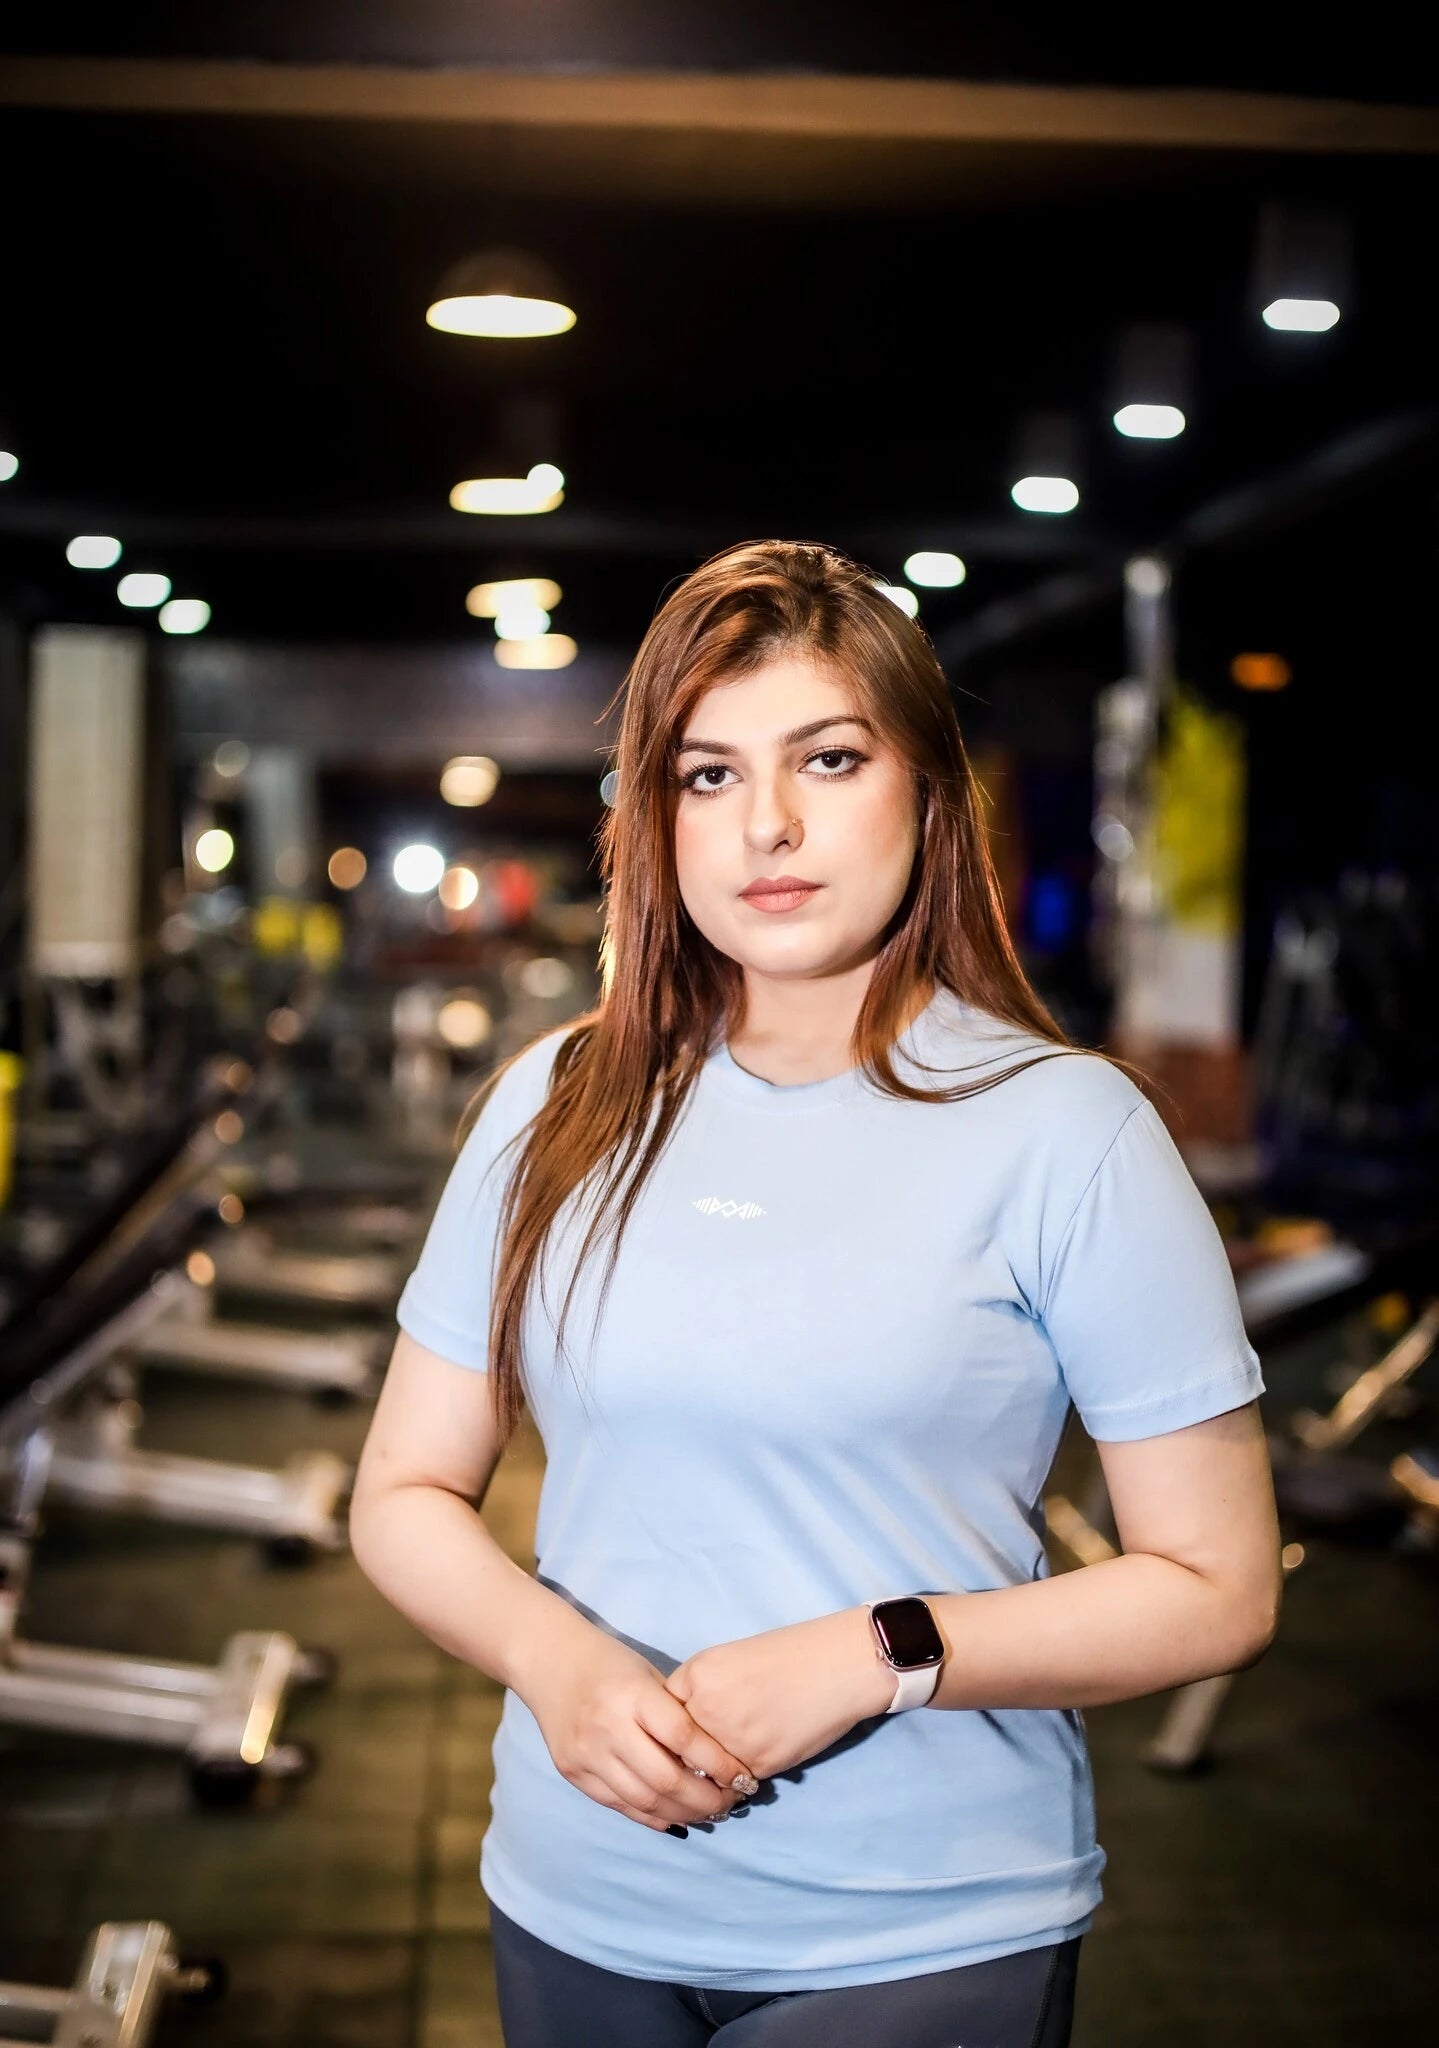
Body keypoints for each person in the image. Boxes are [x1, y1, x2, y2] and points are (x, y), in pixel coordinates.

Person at [349, 540, 1283, 2047]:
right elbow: (399, 1488)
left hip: (926, 1931)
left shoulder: (1067, 1131)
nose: (766, 826)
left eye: (828, 759)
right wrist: (554, 1659)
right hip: (577, 1894)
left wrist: (878, 1655)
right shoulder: (557, 1099)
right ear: (655, 818)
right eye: (707, 775)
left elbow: (1221, 1585)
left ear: (926, 786)